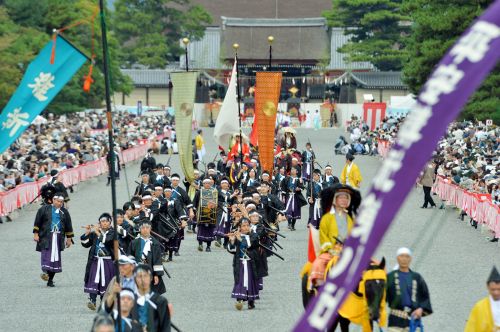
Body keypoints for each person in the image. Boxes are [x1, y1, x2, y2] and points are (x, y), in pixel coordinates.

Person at [386, 247, 433, 331]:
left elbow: (425, 297)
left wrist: (421, 309)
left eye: (407, 256)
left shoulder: (417, 277)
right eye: (402, 256)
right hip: (395, 320)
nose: (404, 259)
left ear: (410, 259)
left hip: (413, 320)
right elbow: (380, 296)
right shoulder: (390, 277)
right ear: (397, 258)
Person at [33, 192, 74, 287]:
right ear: (53, 200)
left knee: (56, 258)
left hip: (58, 237)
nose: (60, 203)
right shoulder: (44, 209)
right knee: (46, 254)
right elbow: (37, 222)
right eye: (58, 201)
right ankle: (45, 271)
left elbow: (69, 226)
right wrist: (36, 234)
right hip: (46, 236)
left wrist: (69, 239)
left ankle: (50, 279)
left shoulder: (64, 212)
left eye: (62, 202)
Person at [81, 213, 117, 311]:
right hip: (95, 260)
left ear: (110, 223)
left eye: (106, 221)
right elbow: (85, 244)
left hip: (107, 261)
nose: (104, 223)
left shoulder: (113, 233)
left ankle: (103, 302)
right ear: (99, 223)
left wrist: (97, 232)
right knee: (93, 280)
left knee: (105, 282)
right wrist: (87, 233)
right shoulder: (95, 234)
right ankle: (92, 301)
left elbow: (107, 240)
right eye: (102, 221)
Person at [227, 218, 260, 310]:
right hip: (240, 262)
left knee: (251, 281)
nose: (246, 228)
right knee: (240, 280)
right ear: (239, 228)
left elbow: (250, 245)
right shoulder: (237, 235)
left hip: (250, 262)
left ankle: (251, 301)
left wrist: (240, 239)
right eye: (243, 226)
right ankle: (239, 299)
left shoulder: (254, 235)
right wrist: (232, 241)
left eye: (247, 226)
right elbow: (231, 250)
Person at [127, 219, 166, 295]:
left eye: (147, 228)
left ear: (150, 229)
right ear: (140, 229)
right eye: (143, 228)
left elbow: (157, 260)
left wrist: (156, 275)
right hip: (137, 271)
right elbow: (130, 257)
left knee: (150, 292)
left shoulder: (154, 243)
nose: (145, 230)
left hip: (150, 271)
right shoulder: (134, 242)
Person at [131, 264, 172, 332]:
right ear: (135, 279)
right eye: (139, 276)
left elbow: (165, 326)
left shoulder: (160, 301)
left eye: (145, 276)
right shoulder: (130, 300)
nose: (142, 279)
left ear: (151, 278)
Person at [465, 266, 500, 331]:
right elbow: (471, 328)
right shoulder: (479, 307)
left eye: (499, 289)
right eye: (493, 289)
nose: (496, 293)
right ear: (487, 287)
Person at [193, 178, 217, 252]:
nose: (207, 184)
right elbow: (195, 202)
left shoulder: (214, 192)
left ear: (211, 184)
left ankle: (208, 246)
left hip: (211, 215)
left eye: (209, 183)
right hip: (201, 214)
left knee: (210, 231)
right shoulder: (199, 192)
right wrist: (194, 211)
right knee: (201, 229)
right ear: (203, 184)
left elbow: (217, 202)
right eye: (205, 183)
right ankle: (200, 244)